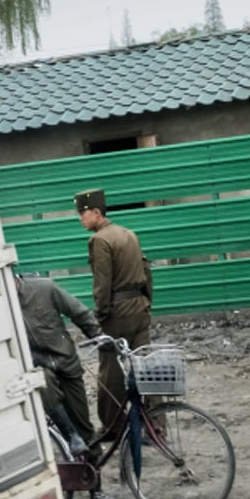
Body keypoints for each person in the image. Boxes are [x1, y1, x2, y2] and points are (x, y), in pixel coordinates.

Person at [15, 273, 121, 499]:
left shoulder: (45, 288)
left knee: (86, 428)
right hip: (38, 365)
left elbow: (78, 311)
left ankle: (96, 490)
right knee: (44, 382)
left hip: (67, 363)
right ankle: (69, 435)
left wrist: (97, 335)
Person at [74, 188, 155, 439]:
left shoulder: (99, 241)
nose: (80, 218)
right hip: (140, 309)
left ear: (96, 213)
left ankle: (112, 427)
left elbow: (102, 284)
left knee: (111, 373)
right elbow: (146, 269)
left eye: (83, 213)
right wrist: (147, 301)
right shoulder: (129, 234)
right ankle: (156, 424)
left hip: (117, 315)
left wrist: (100, 316)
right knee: (146, 367)